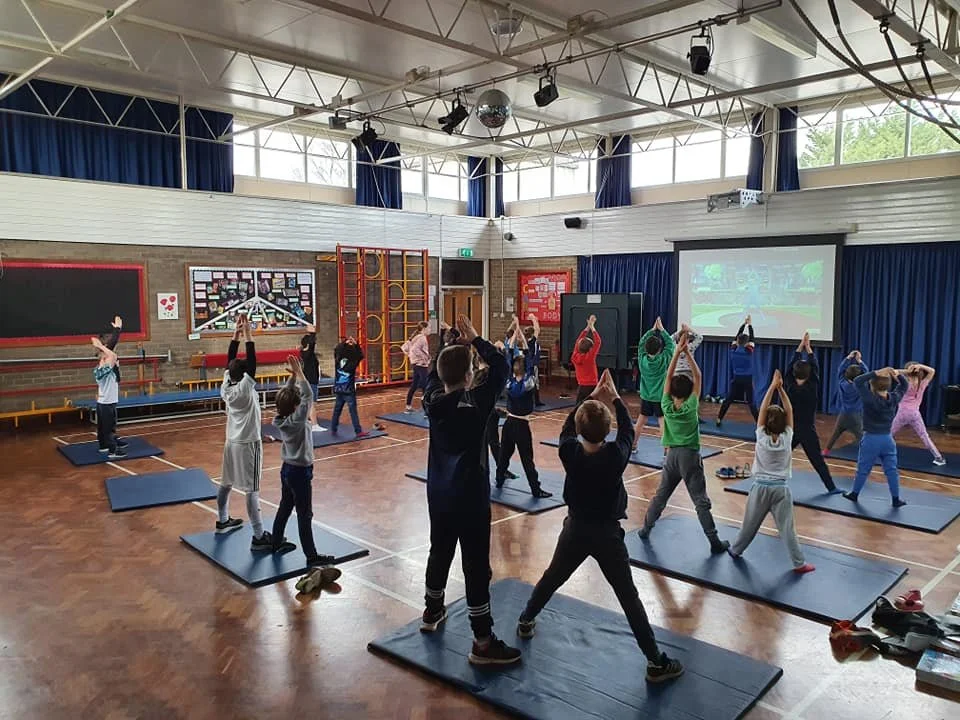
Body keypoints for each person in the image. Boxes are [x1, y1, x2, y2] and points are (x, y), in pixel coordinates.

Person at [516, 369, 684, 684]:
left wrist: (590, 398)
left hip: (576, 530)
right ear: (606, 431)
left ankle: (526, 618)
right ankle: (656, 662)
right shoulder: (616, 456)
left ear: (581, 430)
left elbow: (567, 427)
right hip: (607, 536)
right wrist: (616, 397)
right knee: (628, 597)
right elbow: (627, 430)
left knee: (553, 577)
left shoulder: (569, 451)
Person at [420, 314, 520, 666]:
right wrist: (475, 339)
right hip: (470, 497)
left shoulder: (431, 400)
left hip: (439, 494)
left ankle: (432, 610)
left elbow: (436, 373)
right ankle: (482, 641)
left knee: (439, 552)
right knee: (476, 565)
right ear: (468, 376)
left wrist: (449, 345)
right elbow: (501, 366)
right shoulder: (477, 400)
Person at [638, 336, 729, 554]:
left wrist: (677, 353)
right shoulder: (691, 406)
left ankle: (645, 529)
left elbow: (668, 376)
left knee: (660, 496)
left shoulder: (666, 404)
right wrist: (687, 353)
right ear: (690, 392)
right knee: (700, 501)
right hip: (689, 457)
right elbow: (698, 376)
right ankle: (714, 541)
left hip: (671, 457)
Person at [728, 370, 815, 574]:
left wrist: (772, 387)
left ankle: (736, 550)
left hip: (760, 489)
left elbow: (763, 410)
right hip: (780, 490)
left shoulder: (761, 436)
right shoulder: (787, 437)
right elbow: (790, 410)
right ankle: (799, 563)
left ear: (765, 421)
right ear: (784, 423)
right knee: (787, 529)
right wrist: (781, 389)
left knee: (749, 525)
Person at [271, 355, 339, 573]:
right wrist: (300, 373)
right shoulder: (297, 421)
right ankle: (312, 556)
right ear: (295, 406)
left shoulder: (282, 418)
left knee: (285, 506)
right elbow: (308, 395)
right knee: (304, 514)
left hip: (287, 470)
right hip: (299, 472)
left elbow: (286, 396)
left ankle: (276, 541)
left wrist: (292, 378)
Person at [217, 314, 272, 549]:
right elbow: (252, 360)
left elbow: (231, 359)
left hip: (231, 441)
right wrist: (247, 333)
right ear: (244, 374)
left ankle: (222, 520)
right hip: (249, 443)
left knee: (226, 482)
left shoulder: (226, 385)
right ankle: (259, 535)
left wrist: (236, 334)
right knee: (252, 489)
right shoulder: (245, 388)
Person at [496, 325, 552, 498]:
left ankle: (499, 480)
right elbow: (528, 357)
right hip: (521, 425)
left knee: (504, 455)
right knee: (527, 459)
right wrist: (521, 336)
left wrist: (516, 333)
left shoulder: (509, 381)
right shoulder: (528, 383)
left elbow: (508, 352)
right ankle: (536, 489)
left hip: (508, 423)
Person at [844, 368, 909, 507]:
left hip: (871, 440)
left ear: (872, 385)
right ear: (889, 385)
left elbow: (858, 381)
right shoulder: (894, 398)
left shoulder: (869, 399)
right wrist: (897, 375)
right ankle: (896, 499)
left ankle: (854, 494)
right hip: (888, 440)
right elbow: (904, 385)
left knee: (863, 469)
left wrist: (875, 373)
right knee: (891, 471)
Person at [784, 333, 838, 492]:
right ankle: (831, 487)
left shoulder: (790, 386)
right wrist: (808, 348)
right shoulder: (812, 386)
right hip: (807, 429)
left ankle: (767, 477)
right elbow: (815, 367)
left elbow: (789, 368)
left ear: (794, 374)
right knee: (817, 460)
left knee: (780, 455)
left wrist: (800, 347)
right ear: (809, 375)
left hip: (790, 428)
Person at [892, 362, 946, 466]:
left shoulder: (904, 382)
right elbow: (932, 371)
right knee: (924, 436)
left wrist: (908, 371)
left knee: (889, 434)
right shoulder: (922, 382)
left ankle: (877, 452)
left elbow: (893, 372)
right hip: (915, 414)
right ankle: (938, 457)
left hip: (902, 414)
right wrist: (920, 366)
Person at [633, 316, 675, 448]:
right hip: (660, 397)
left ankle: (633, 444)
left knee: (641, 420)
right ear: (659, 349)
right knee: (662, 421)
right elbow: (670, 345)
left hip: (646, 396)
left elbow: (641, 343)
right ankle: (666, 449)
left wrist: (652, 330)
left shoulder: (642, 359)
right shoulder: (663, 359)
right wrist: (662, 330)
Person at [824, 350, 868, 455]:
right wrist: (859, 360)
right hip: (856, 416)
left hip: (843, 414)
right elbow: (866, 372)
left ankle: (826, 451)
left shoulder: (842, 382)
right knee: (862, 436)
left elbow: (840, 369)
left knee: (835, 433)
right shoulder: (860, 385)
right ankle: (869, 454)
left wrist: (848, 358)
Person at [717, 315, 758, 424]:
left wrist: (743, 325)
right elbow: (752, 337)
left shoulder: (733, 350)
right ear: (747, 343)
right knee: (751, 402)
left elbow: (736, 337)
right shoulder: (749, 351)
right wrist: (749, 325)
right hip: (747, 379)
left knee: (729, 399)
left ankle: (719, 418)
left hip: (737, 378)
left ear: (738, 342)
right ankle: (759, 423)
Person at [90, 333, 125, 459]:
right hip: (106, 403)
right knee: (108, 428)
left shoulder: (106, 368)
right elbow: (113, 356)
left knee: (102, 427)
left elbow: (112, 355)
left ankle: (103, 446)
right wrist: (100, 346)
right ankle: (112, 451)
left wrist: (117, 331)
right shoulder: (101, 370)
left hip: (105, 402)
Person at [331, 336, 367, 437]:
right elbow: (361, 355)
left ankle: (333, 428)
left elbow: (337, 349)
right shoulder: (352, 361)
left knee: (337, 410)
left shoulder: (338, 359)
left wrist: (344, 343)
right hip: (348, 390)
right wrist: (355, 344)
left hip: (339, 388)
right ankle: (358, 431)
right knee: (353, 411)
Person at [570, 315, 601, 405]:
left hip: (582, 386)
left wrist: (588, 327)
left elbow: (578, 340)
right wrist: (592, 326)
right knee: (594, 407)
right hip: (592, 385)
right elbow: (598, 341)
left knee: (579, 406)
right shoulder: (589, 357)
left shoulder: (574, 356)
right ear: (590, 349)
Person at [402, 321, 431, 413]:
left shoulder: (415, 337)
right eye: (429, 328)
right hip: (421, 365)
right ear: (424, 329)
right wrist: (423, 358)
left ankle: (408, 406)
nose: (430, 330)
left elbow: (404, 348)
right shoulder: (422, 338)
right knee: (425, 386)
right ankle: (426, 409)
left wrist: (411, 357)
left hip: (416, 364)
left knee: (414, 385)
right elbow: (414, 350)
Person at [523, 314, 545, 408]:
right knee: (534, 382)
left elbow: (536, 330)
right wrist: (533, 319)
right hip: (532, 364)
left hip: (529, 363)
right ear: (532, 334)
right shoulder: (532, 342)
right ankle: (535, 400)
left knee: (532, 382)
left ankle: (535, 400)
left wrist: (535, 320)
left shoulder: (528, 341)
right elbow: (537, 330)